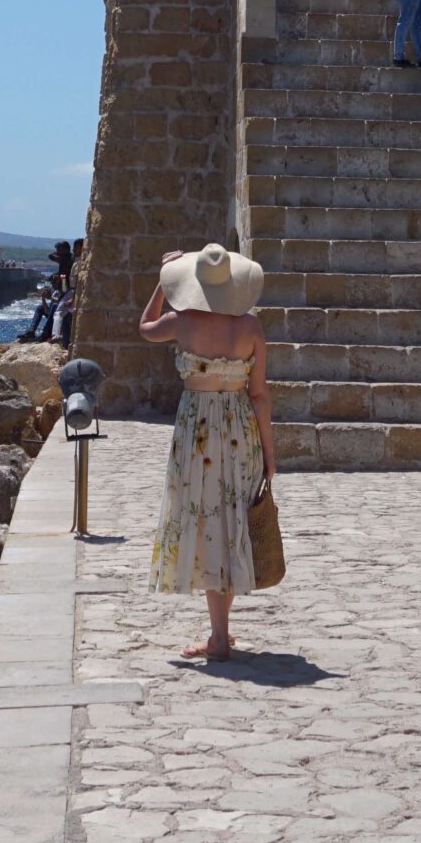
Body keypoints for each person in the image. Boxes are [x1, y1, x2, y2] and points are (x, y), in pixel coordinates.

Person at [140, 242, 276, 663]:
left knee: (207, 520)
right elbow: (260, 396)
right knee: (232, 519)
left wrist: (162, 283)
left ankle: (218, 637)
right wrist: (270, 455)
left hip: (197, 431)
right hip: (240, 429)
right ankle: (222, 629)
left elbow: (144, 327)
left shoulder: (181, 322)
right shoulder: (250, 328)